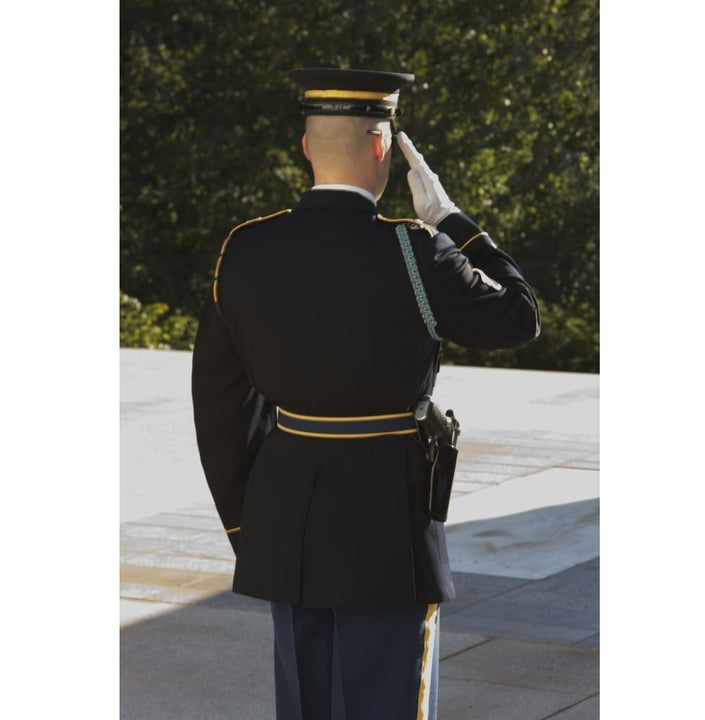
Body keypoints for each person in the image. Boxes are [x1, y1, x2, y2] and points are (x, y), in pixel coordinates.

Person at [191, 67, 540, 720]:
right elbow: (519, 316)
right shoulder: (416, 251)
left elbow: (220, 404)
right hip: (389, 525)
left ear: (305, 145)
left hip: (287, 520)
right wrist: (452, 219)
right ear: (382, 147)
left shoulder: (244, 251)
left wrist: (249, 526)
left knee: (307, 707)